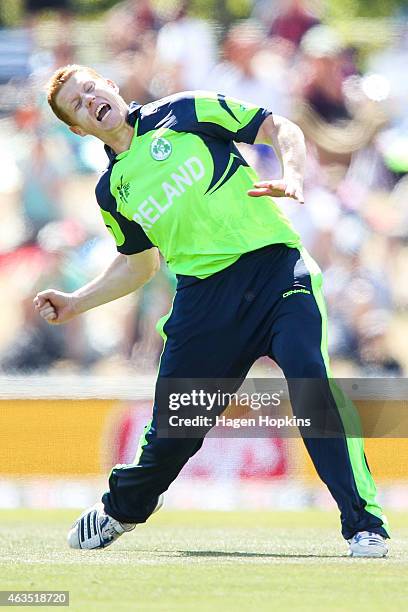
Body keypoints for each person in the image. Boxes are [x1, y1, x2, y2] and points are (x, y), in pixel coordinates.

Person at [34, 64, 389, 557]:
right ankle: (122, 510)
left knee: (310, 379)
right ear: (78, 128)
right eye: (77, 102)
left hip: (276, 270)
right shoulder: (111, 190)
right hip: (205, 302)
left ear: (112, 86)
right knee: (172, 436)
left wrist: (292, 173)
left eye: (91, 86)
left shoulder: (184, 110)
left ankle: (363, 525)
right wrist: (76, 302)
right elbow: (137, 265)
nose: (89, 98)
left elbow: (276, 126)